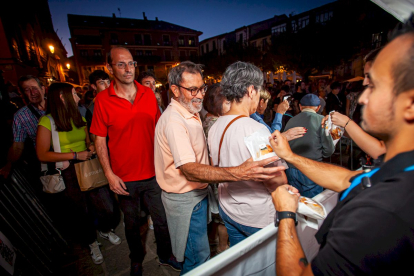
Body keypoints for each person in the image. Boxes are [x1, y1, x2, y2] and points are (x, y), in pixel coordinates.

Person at [269, 16, 414, 275]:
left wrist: (286, 215)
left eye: (373, 86)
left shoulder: (378, 215)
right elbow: (351, 178)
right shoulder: (403, 164)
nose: (364, 97)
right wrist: (290, 156)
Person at [154, 61, 284, 275]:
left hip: (215, 202)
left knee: (222, 258)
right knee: (198, 260)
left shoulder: (199, 116)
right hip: (187, 198)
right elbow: (188, 168)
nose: (199, 95)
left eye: (201, 88)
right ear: (175, 90)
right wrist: (238, 172)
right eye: (192, 89)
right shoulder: (175, 121)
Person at [90, 47, 179, 276]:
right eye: (121, 64)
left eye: (131, 63)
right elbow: (99, 141)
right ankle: (136, 259)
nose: (128, 68)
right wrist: (109, 174)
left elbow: (161, 130)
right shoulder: (102, 100)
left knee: (161, 219)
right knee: (131, 225)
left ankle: (165, 254)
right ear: (110, 68)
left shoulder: (147, 94)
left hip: (153, 173)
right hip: (124, 178)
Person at [36, 82, 121, 265]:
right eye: (74, 94)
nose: (77, 97)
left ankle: (105, 230)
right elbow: (41, 153)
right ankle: (91, 242)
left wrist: (90, 145)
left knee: (105, 204)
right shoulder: (47, 121)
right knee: (81, 211)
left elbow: (87, 138)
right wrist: (74, 155)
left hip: (87, 166)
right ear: (62, 97)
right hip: (68, 172)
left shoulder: (78, 116)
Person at [207, 61, 288, 247]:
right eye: (259, 91)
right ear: (251, 91)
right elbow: (276, 179)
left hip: (229, 209)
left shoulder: (216, 125)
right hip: (256, 216)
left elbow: (216, 166)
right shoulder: (255, 130)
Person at [284, 94, 335, 197]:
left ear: (300, 106)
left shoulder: (291, 120)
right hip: (311, 167)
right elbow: (329, 150)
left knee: (296, 201)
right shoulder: (322, 120)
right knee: (313, 203)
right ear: (318, 108)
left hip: (291, 168)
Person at [202, 84, 230, 254]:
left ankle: (217, 243)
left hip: (214, 175)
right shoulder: (215, 124)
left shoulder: (208, 119)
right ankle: (223, 248)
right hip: (219, 176)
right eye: (227, 101)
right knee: (223, 218)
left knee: (218, 217)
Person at [0, 75, 46, 179]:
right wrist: (9, 164)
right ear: (22, 94)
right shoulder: (20, 116)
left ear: (42, 89)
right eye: (27, 90)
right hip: (47, 164)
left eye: (34, 88)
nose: (32, 93)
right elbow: (17, 145)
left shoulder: (58, 105)